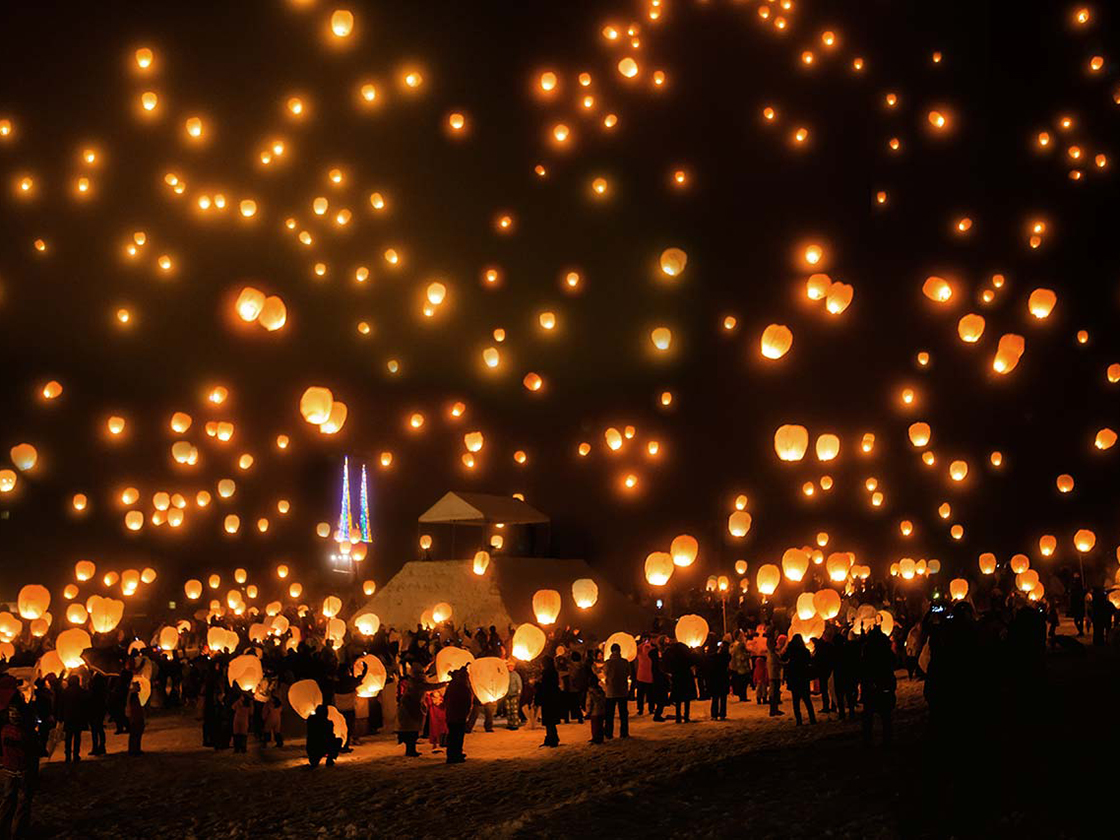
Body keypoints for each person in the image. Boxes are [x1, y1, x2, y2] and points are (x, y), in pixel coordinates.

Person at [0, 675, 37, 840]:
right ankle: (17, 833)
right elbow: (31, 744)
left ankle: (3, 829)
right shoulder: (22, 726)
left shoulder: (4, 726)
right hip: (22, 766)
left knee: (8, 800)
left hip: (8, 765)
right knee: (22, 802)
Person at [860, 627, 896, 745]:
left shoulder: (868, 650)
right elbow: (893, 662)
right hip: (884, 684)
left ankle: (868, 739)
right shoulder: (885, 650)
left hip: (872, 686)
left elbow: (864, 666)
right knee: (885, 716)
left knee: (869, 715)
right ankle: (887, 738)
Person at [783, 635, 816, 725]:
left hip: (794, 677)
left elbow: (783, 658)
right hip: (803, 677)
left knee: (796, 701)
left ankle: (799, 720)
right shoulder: (805, 651)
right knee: (807, 699)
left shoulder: (791, 651)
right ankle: (812, 718)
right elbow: (810, 661)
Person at [443, 667, 472, 764]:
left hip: (452, 714)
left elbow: (446, 698)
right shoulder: (461, 686)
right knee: (457, 736)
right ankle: (454, 755)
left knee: (453, 735)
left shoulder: (452, 685)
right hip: (458, 715)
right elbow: (466, 701)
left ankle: (454, 753)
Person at [664, 640, 696, 723]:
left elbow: (667, 664)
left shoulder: (672, 654)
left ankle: (678, 716)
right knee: (686, 698)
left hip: (677, 677)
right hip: (686, 676)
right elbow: (693, 661)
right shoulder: (686, 655)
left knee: (678, 698)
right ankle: (686, 716)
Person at [603, 643, 630, 738]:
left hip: (611, 691)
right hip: (622, 690)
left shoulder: (608, 663)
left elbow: (605, 673)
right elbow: (628, 673)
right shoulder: (625, 662)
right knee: (623, 713)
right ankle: (624, 732)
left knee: (609, 714)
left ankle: (609, 732)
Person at [60, 674, 89, 764]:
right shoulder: (81, 691)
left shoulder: (65, 692)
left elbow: (61, 705)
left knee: (68, 737)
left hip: (68, 718)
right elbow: (85, 704)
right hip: (78, 717)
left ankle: (68, 755)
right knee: (77, 737)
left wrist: (60, 717)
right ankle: (76, 754)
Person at [535, 656, 562, 747]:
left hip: (548, 699)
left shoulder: (547, 673)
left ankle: (552, 739)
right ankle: (551, 737)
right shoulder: (553, 672)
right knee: (550, 720)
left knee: (549, 720)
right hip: (552, 698)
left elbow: (545, 686)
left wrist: (537, 684)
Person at [705, 638, 731, 721]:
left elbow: (709, 660)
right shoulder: (727, 657)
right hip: (723, 678)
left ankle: (714, 714)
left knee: (715, 698)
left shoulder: (715, 657)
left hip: (716, 679)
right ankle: (722, 714)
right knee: (723, 698)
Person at [87, 672, 107, 756]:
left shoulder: (96, 684)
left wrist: (90, 683)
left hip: (95, 708)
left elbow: (91, 694)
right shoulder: (102, 685)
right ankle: (100, 746)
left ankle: (97, 747)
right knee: (99, 728)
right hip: (99, 708)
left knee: (95, 729)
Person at [766, 630, 785, 717]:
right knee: (774, 692)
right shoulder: (772, 654)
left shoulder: (772, 654)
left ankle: (774, 709)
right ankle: (773, 710)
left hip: (774, 674)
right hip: (773, 675)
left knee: (775, 692)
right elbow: (778, 663)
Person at [728, 633, 751, 702]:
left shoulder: (733, 645)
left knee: (742, 682)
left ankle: (742, 695)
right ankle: (743, 696)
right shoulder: (739, 645)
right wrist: (747, 655)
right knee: (743, 682)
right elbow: (741, 657)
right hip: (741, 666)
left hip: (737, 666)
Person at [424, 688, 447, 752]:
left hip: (440, 711)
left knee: (441, 727)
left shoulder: (435, 697)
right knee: (435, 727)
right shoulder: (430, 698)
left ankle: (442, 742)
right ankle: (437, 742)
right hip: (435, 711)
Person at [635, 638, 654, 715]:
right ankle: (651, 708)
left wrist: (641, 644)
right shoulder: (652, 650)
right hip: (650, 676)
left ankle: (640, 709)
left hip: (641, 676)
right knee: (650, 694)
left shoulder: (639, 650)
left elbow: (635, 651)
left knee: (640, 694)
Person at [126, 681, 145, 756]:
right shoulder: (133, 695)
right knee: (135, 733)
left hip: (135, 717)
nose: (140, 687)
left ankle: (135, 749)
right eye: (138, 685)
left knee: (135, 734)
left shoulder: (133, 695)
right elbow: (134, 708)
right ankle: (134, 750)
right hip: (135, 717)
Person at [586, 679, 606, 744]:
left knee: (595, 726)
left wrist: (588, 712)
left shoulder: (590, 693)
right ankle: (600, 737)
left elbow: (589, 703)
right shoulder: (601, 691)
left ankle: (596, 738)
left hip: (594, 712)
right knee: (600, 725)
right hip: (601, 710)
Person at [504, 662, 522, 730]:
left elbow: (519, 684)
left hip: (514, 694)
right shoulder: (505, 674)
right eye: (509, 666)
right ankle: (510, 723)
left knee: (514, 710)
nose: (510, 668)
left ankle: (515, 724)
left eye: (511, 666)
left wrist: (518, 693)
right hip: (507, 694)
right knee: (508, 710)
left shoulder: (516, 675)